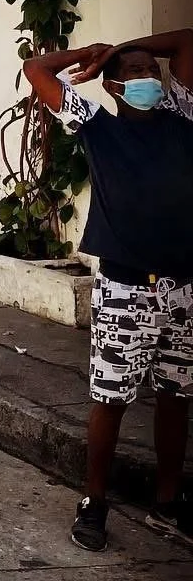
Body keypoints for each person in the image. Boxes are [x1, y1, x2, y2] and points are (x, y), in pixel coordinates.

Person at [22, 27, 193, 552]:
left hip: (183, 289)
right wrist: (94, 58)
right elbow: (37, 70)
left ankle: (168, 502)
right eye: (134, 73)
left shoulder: (184, 118)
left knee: (176, 395)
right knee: (111, 398)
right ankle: (94, 501)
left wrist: (123, 47)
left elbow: (188, 39)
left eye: (151, 70)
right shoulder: (95, 125)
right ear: (114, 88)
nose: (148, 78)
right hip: (126, 290)